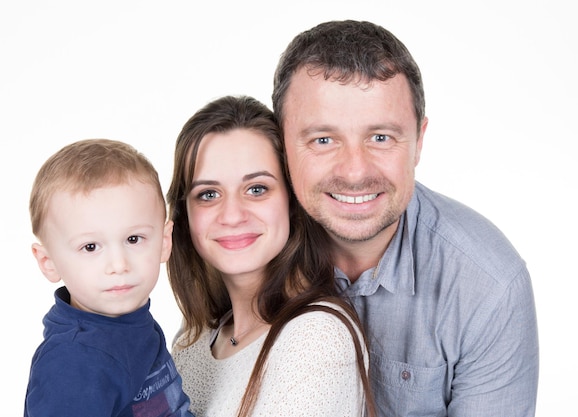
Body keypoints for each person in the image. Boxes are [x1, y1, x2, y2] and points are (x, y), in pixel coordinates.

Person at [272, 19, 539, 417]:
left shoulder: (489, 287)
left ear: (418, 142)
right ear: (282, 143)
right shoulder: (245, 244)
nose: (354, 171)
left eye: (381, 137)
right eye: (323, 140)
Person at [166, 95, 374, 417]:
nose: (232, 215)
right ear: (185, 214)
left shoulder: (315, 339)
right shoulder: (195, 338)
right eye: (208, 194)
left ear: (291, 200)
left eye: (257, 189)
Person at [24, 139, 193, 417]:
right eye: (90, 247)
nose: (118, 264)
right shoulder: (73, 362)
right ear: (48, 262)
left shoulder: (132, 323)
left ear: (164, 242)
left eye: (133, 239)